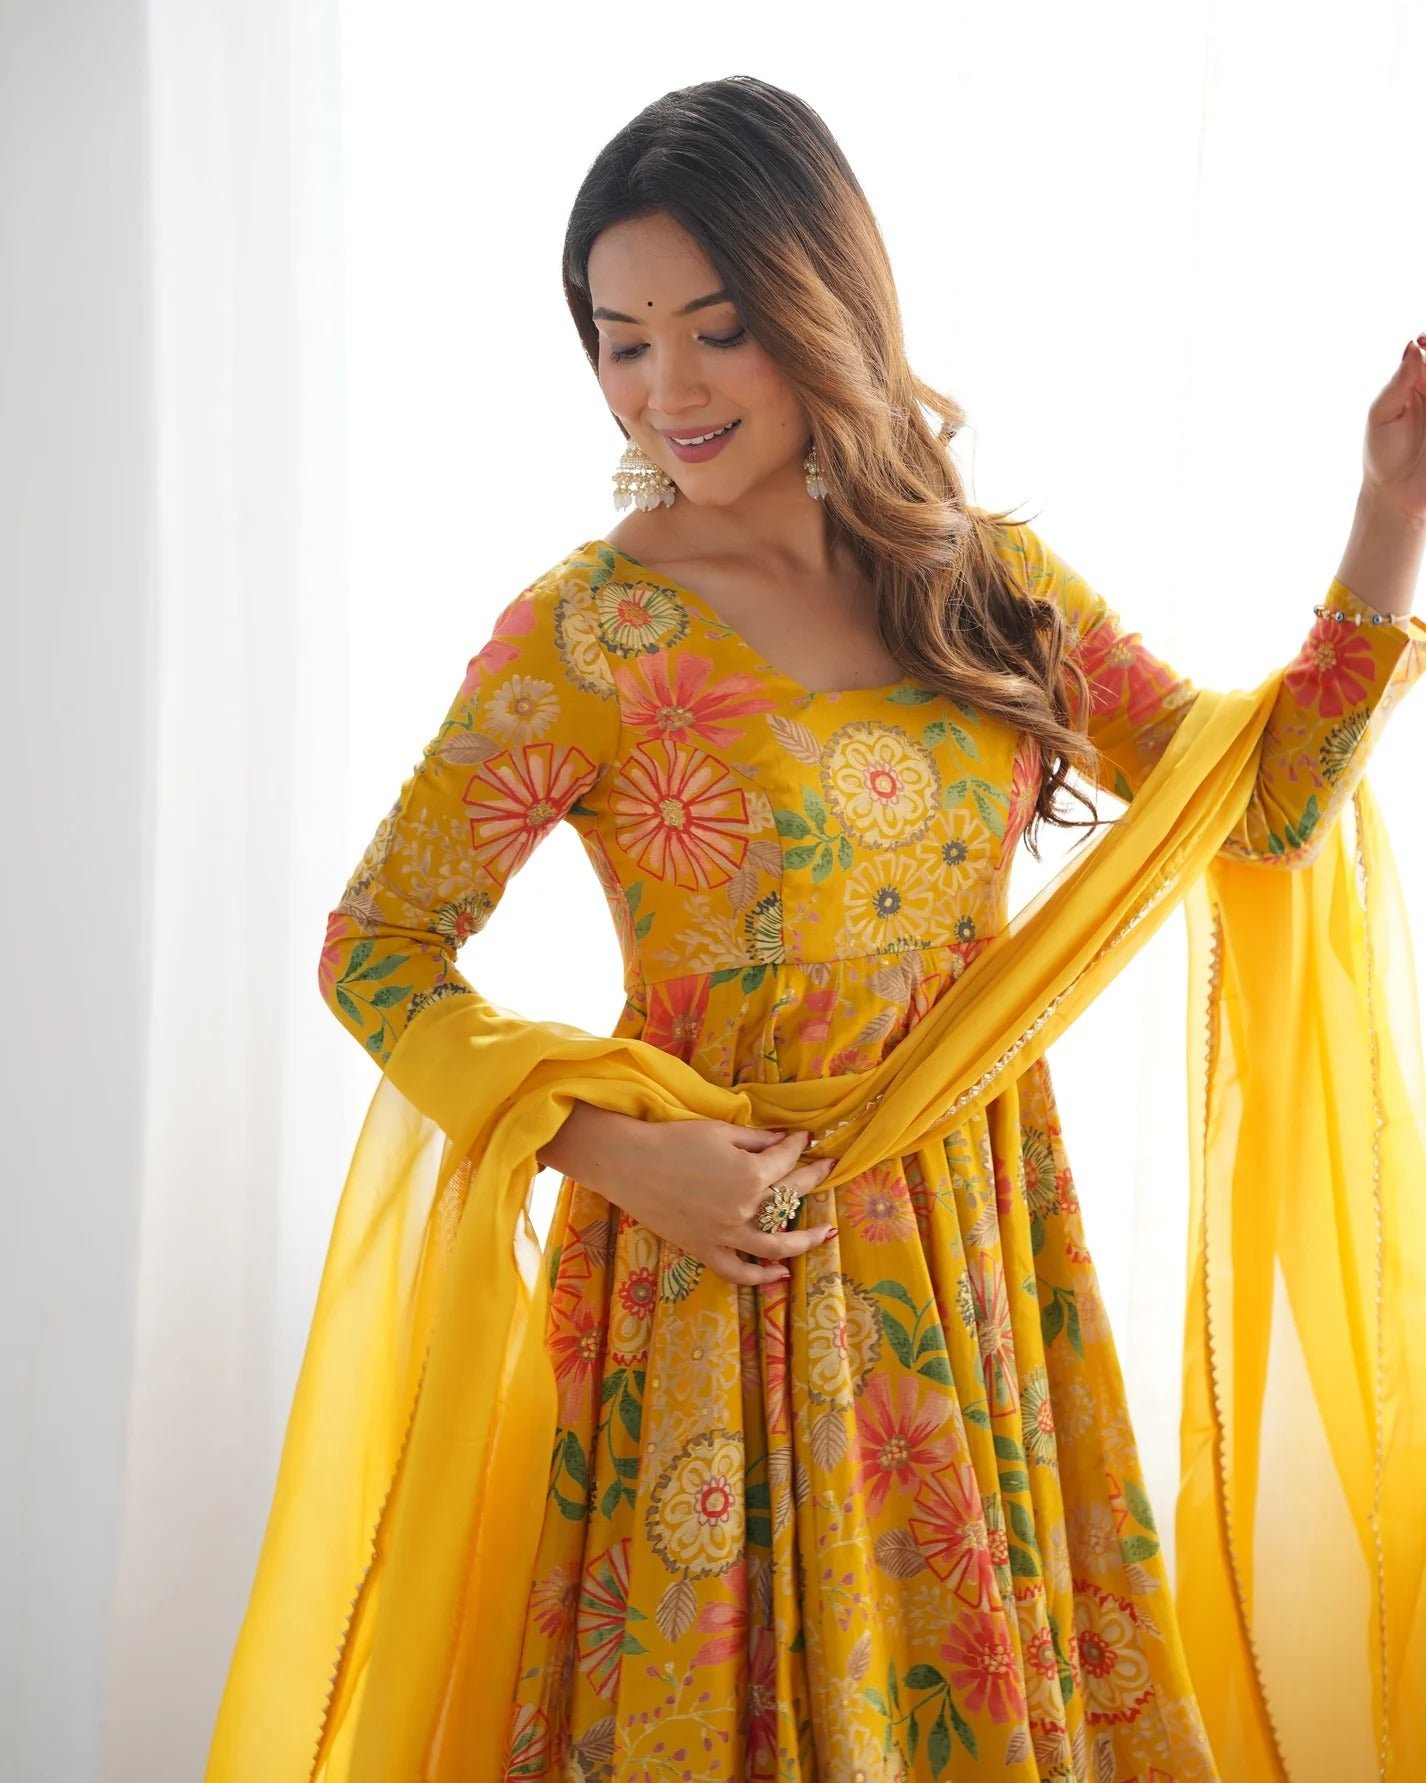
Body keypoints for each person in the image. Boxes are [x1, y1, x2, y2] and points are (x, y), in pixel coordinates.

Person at [221, 76, 1426, 1783]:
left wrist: (1386, 520)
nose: (668, 389)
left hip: (971, 1244)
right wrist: (611, 1151)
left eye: (714, 329)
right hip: (723, 1267)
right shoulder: (590, 632)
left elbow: (1263, 808)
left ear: (820, 304)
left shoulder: (978, 579)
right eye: (622, 341)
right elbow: (378, 947)